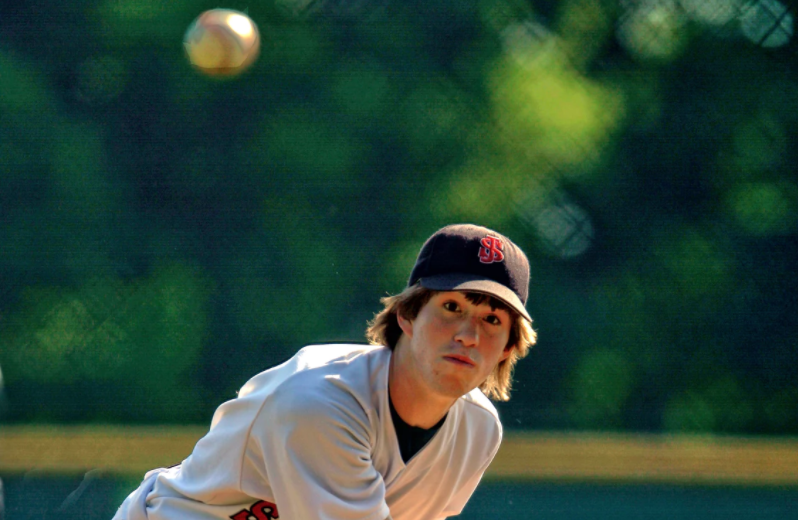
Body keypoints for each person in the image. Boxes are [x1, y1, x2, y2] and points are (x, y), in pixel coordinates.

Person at [113, 223, 537, 520]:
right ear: (407, 316)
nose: (467, 334)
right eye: (451, 307)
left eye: (492, 320)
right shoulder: (320, 401)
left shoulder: (477, 431)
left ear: (508, 348)